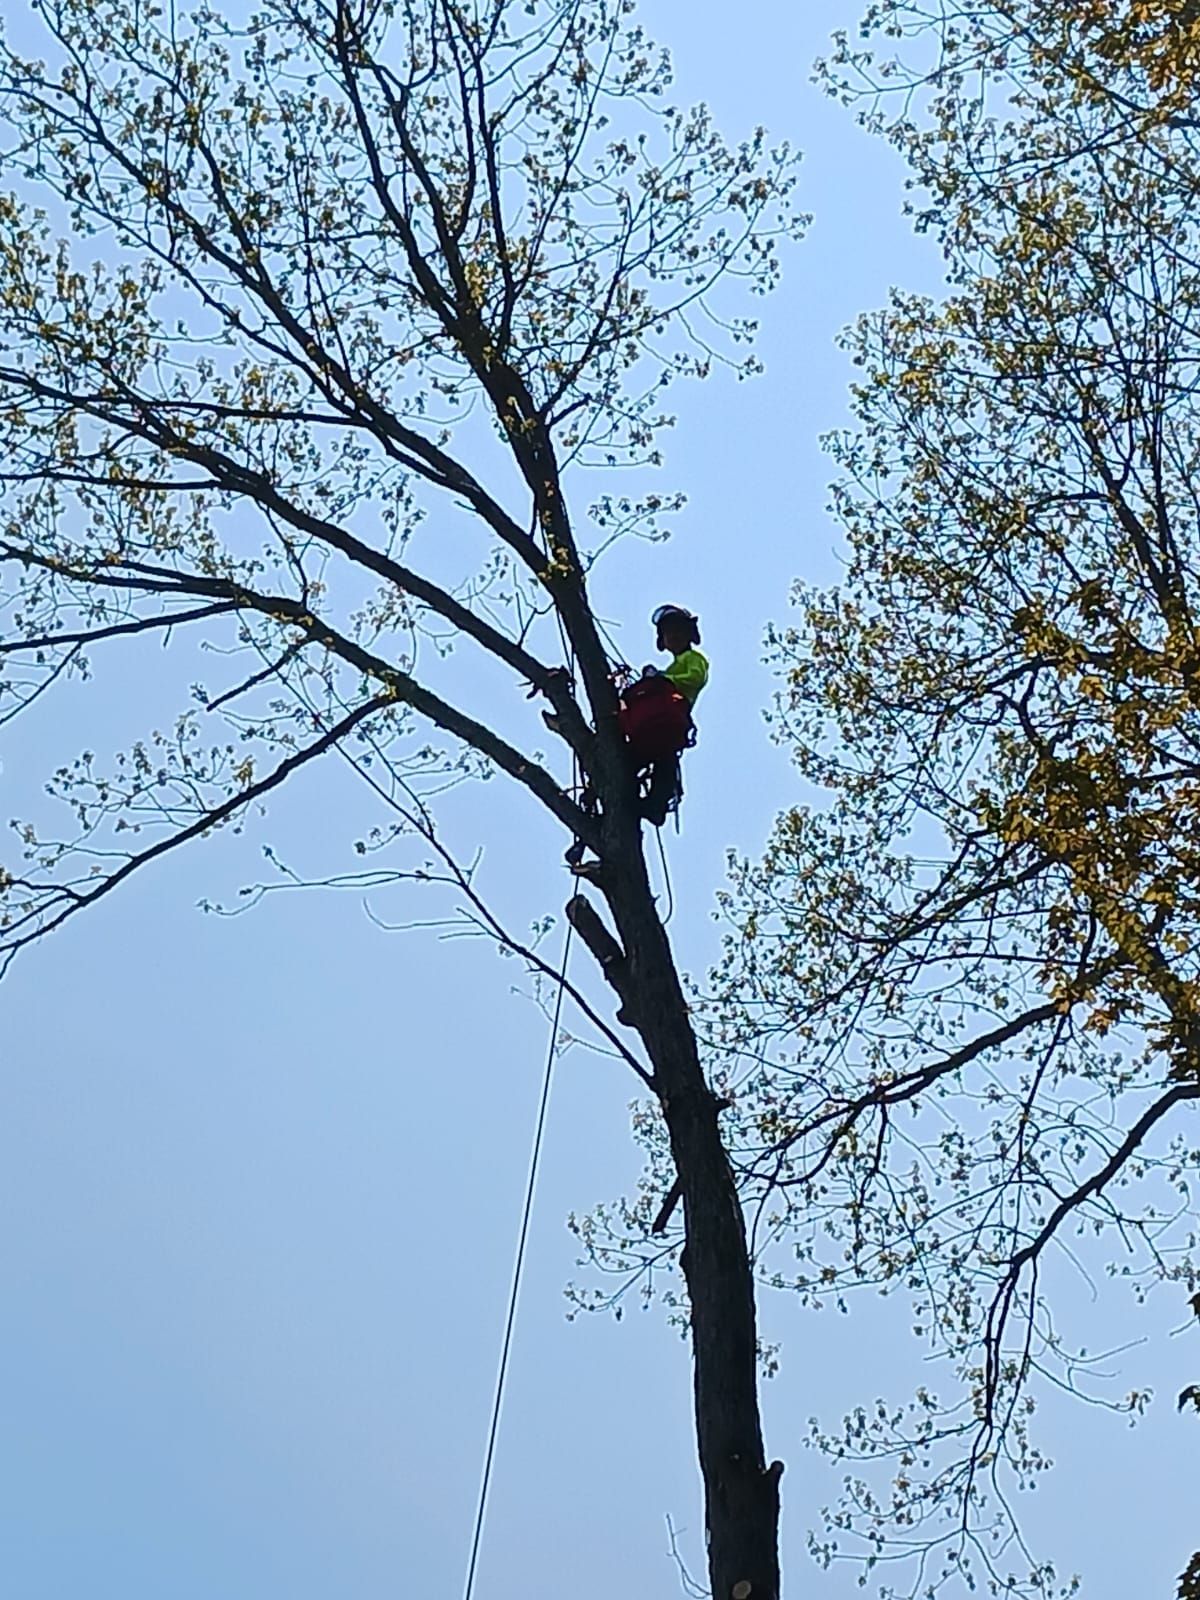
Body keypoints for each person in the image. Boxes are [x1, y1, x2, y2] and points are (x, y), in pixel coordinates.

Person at [560, 603, 708, 869]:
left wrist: (662, 680)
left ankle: (655, 805)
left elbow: (694, 678)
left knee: (665, 761)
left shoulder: (693, 660)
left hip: (669, 725)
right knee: (622, 764)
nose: (671, 637)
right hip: (648, 731)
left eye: (676, 631)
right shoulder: (672, 667)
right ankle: (597, 803)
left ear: (689, 634)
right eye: (667, 634)